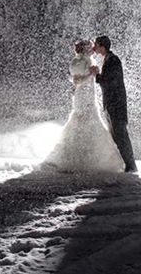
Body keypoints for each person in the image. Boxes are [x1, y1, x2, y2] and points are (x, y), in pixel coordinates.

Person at [43, 39, 124, 173]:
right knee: (81, 119)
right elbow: (76, 80)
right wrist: (91, 75)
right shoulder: (78, 60)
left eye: (93, 45)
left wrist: (95, 74)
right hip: (82, 96)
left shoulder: (90, 59)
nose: (92, 47)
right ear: (83, 48)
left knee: (92, 118)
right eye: (89, 46)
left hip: (90, 96)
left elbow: (93, 77)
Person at [90, 35, 137, 173]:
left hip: (116, 105)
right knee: (116, 136)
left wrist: (97, 75)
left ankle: (131, 167)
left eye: (96, 45)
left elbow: (111, 82)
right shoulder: (108, 59)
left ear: (102, 46)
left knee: (121, 136)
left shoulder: (113, 60)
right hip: (111, 105)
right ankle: (126, 165)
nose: (94, 48)